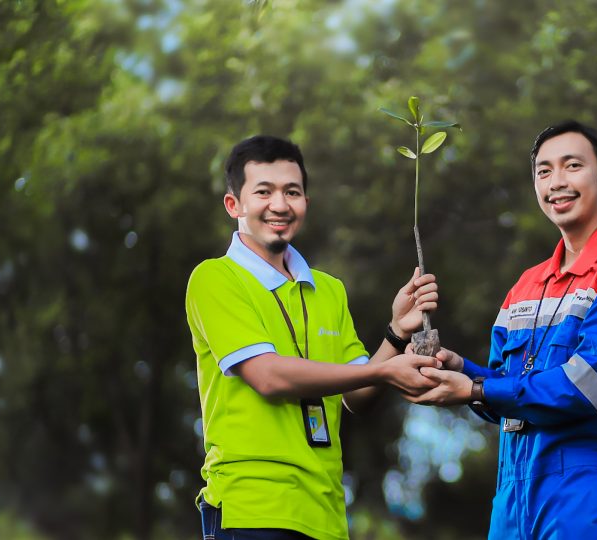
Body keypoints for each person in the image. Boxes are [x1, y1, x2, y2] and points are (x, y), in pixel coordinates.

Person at [408, 120, 597, 539]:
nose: (556, 182)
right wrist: (463, 371)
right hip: (512, 503)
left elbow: (587, 387)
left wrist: (475, 390)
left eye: (572, 166)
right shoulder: (525, 286)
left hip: (588, 506)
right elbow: (509, 389)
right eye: (544, 171)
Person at [186, 135, 441, 540]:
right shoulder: (214, 279)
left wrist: (395, 334)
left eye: (292, 192)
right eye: (263, 191)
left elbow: (357, 393)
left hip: (325, 514)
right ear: (235, 204)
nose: (280, 205)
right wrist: (386, 372)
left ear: (305, 201)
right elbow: (268, 377)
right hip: (251, 510)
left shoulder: (329, 289)